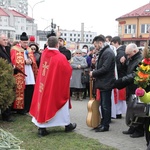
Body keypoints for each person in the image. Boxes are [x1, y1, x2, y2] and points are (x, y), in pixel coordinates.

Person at [29, 36, 77, 137]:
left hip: (44, 84)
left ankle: (42, 127)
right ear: (57, 44)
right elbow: (67, 71)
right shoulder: (60, 57)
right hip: (55, 86)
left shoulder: (44, 54)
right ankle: (67, 125)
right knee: (61, 104)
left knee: (43, 103)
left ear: (47, 44)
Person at [113, 43, 144, 138]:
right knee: (130, 109)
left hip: (137, 88)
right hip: (130, 87)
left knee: (138, 109)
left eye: (129, 54)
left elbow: (135, 75)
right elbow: (127, 71)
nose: (127, 56)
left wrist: (121, 81)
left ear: (135, 51)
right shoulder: (131, 59)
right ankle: (132, 127)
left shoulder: (141, 60)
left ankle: (139, 130)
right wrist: (123, 63)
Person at [89, 34, 115, 132]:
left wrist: (94, 73)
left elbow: (105, 68)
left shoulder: (107, 52)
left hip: (106, 82)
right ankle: (103, 123)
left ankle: (105, 125)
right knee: (104, 104)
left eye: (96, 46)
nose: (95, 48)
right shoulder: (104, 52)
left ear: (100, 43)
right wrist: (95, 64)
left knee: (105, 105)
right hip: (104, 82)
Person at [10, 32, 38, 114]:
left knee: (30, 89)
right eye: (24, 42)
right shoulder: (14, 49)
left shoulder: (29, 49)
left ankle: (28, 107)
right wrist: (24, 62)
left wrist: (31, 61)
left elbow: (33, 60)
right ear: (20, 41)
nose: (26, 44)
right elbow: (13, 61)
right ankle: (19, 109)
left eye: (27, 42)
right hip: (20, 73)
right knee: (21, 90)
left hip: (29, 72)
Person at [111, 36, 127, 119]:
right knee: (120, 96)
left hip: (120, 76)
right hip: (122, 75)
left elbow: (119, 66)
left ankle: (118, 112)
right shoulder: (123, 51)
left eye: (113, 44)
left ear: (116, 43)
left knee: (119, 96)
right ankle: (119, 112)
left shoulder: (120, 52)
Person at [0, 34, 14, 122]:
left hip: (7, 74)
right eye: (4, 39)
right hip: (2, 74)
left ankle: (6, 115)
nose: (6, 41)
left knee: (7, 95)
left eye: (6, 39)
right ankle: (5, 115)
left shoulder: (6, 48)